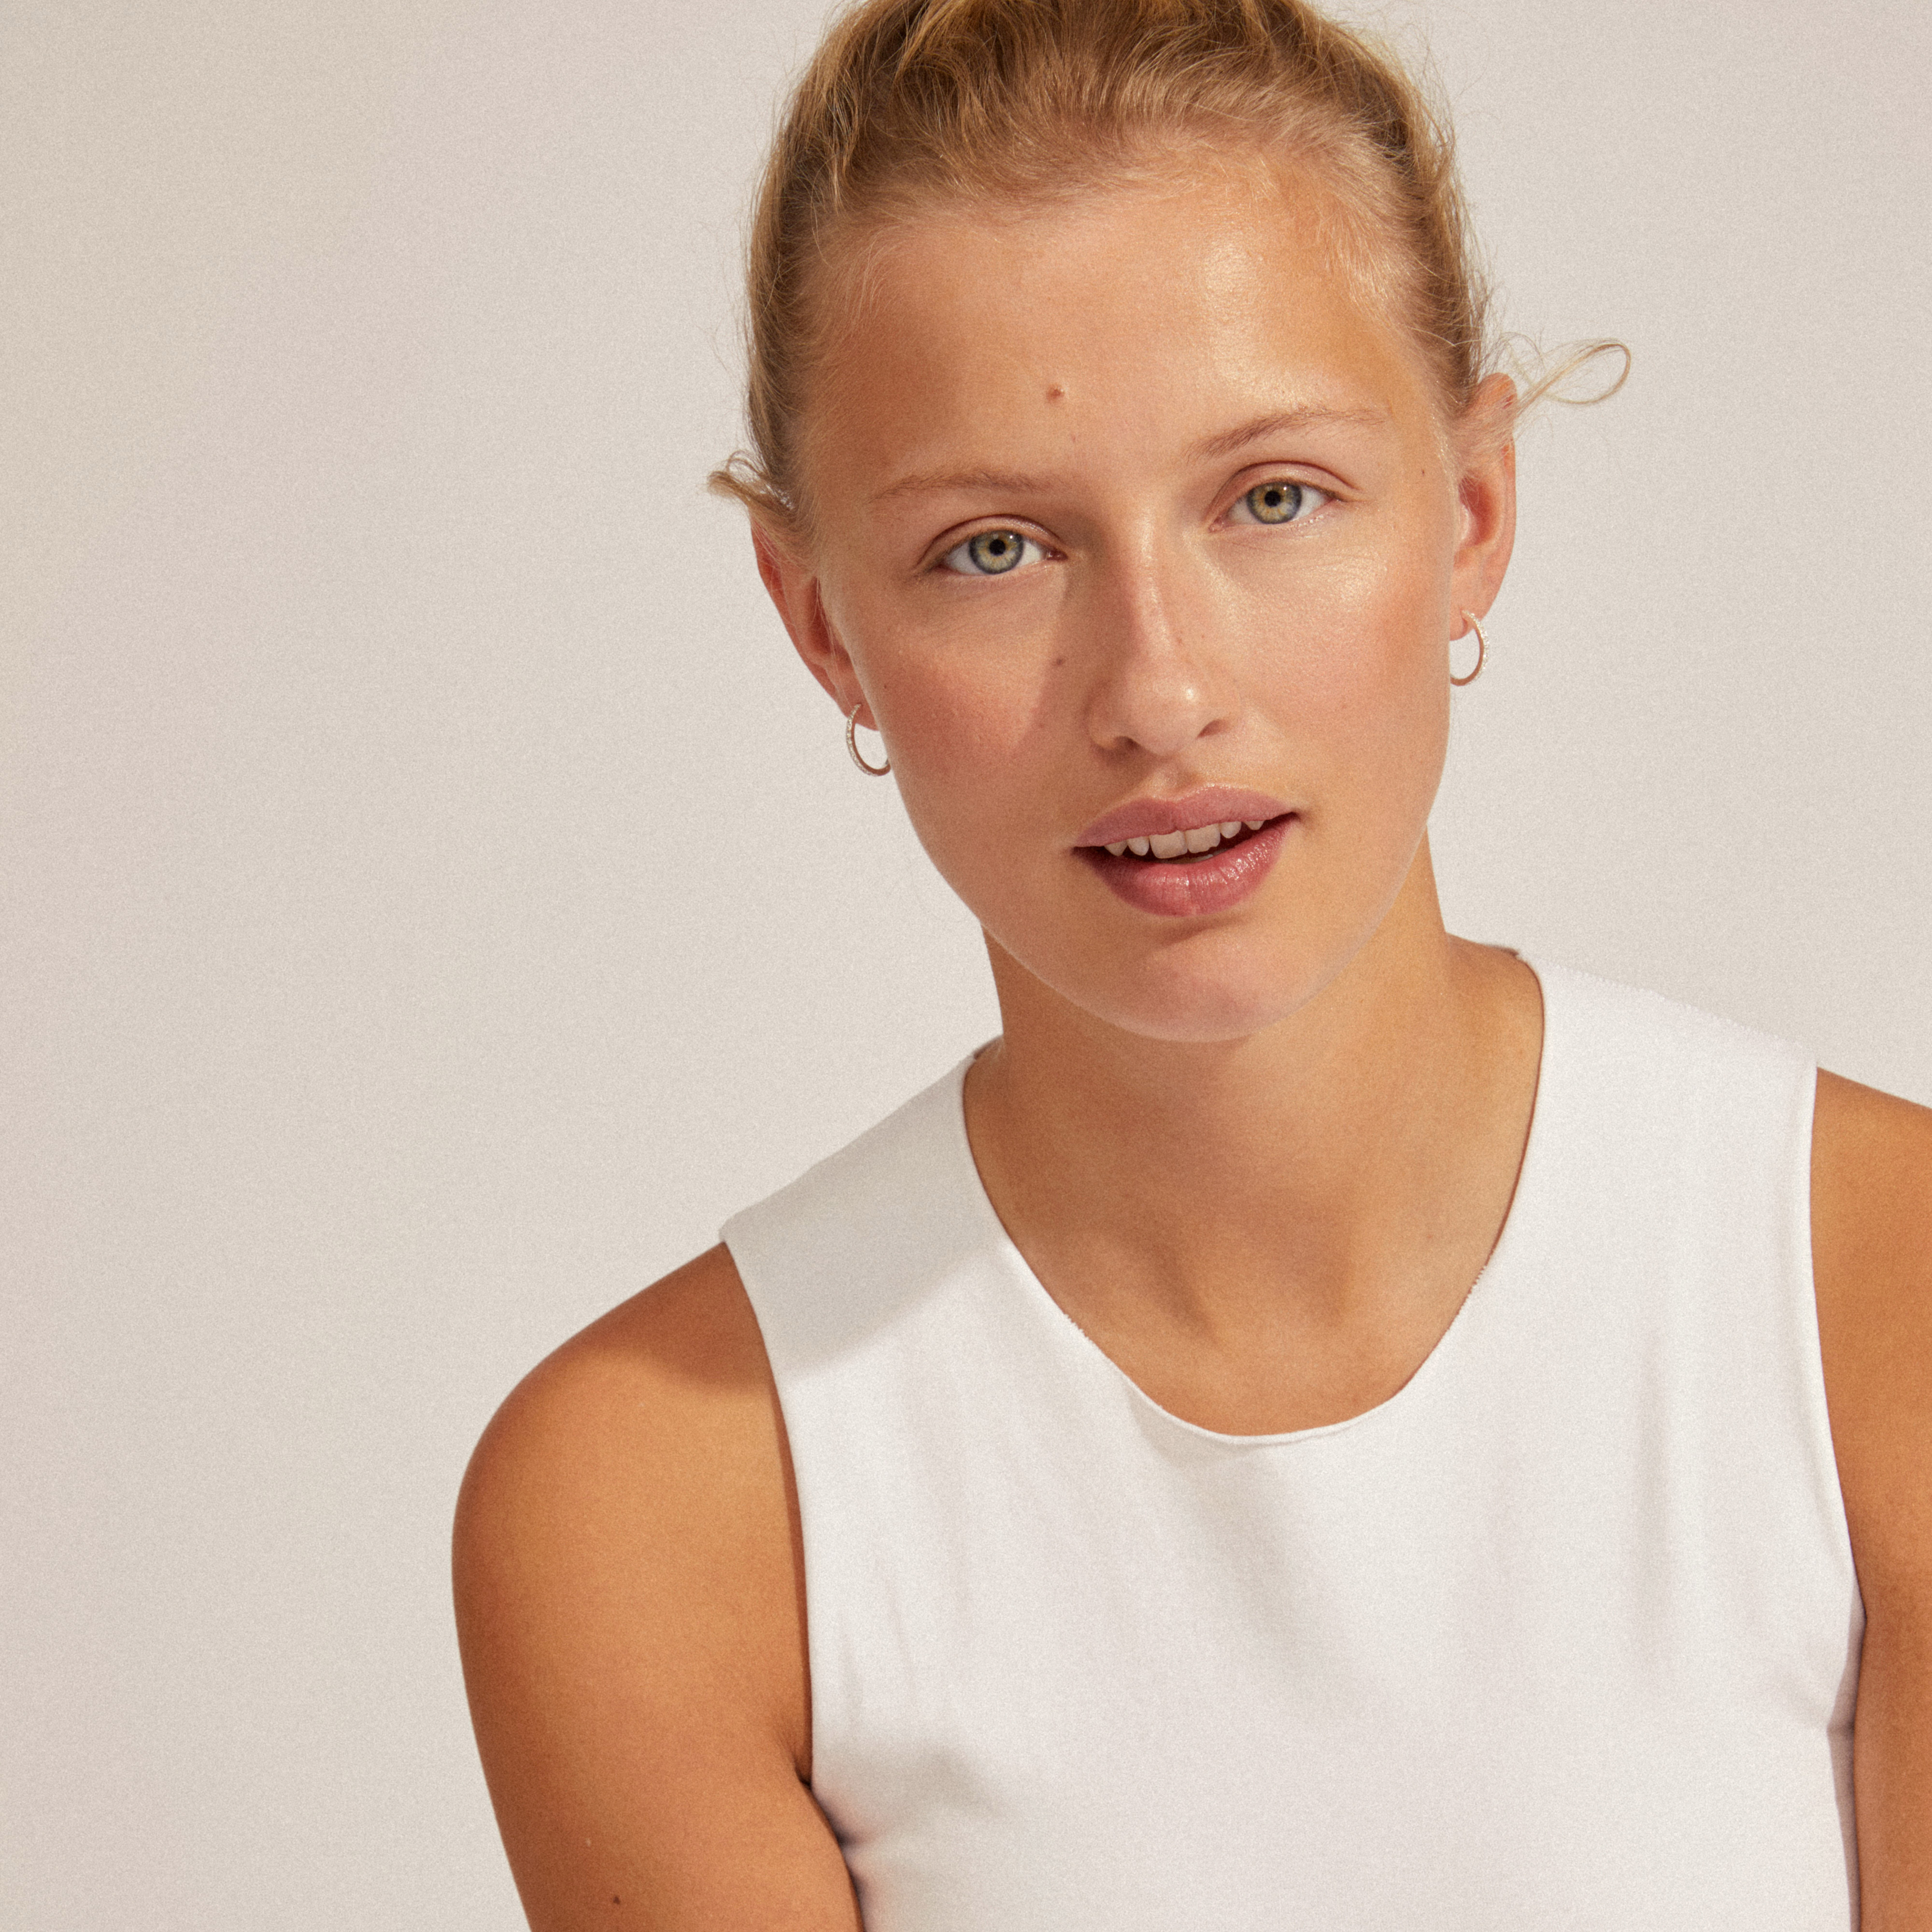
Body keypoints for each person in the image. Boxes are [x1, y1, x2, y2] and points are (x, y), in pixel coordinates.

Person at [451, 1, 1932, 1925]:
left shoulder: (1883, 1304)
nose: (1158, 691)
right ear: (822, 625)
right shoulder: (663, 1504)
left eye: (1272, 497)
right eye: (995, 548)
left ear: (1472, 513)